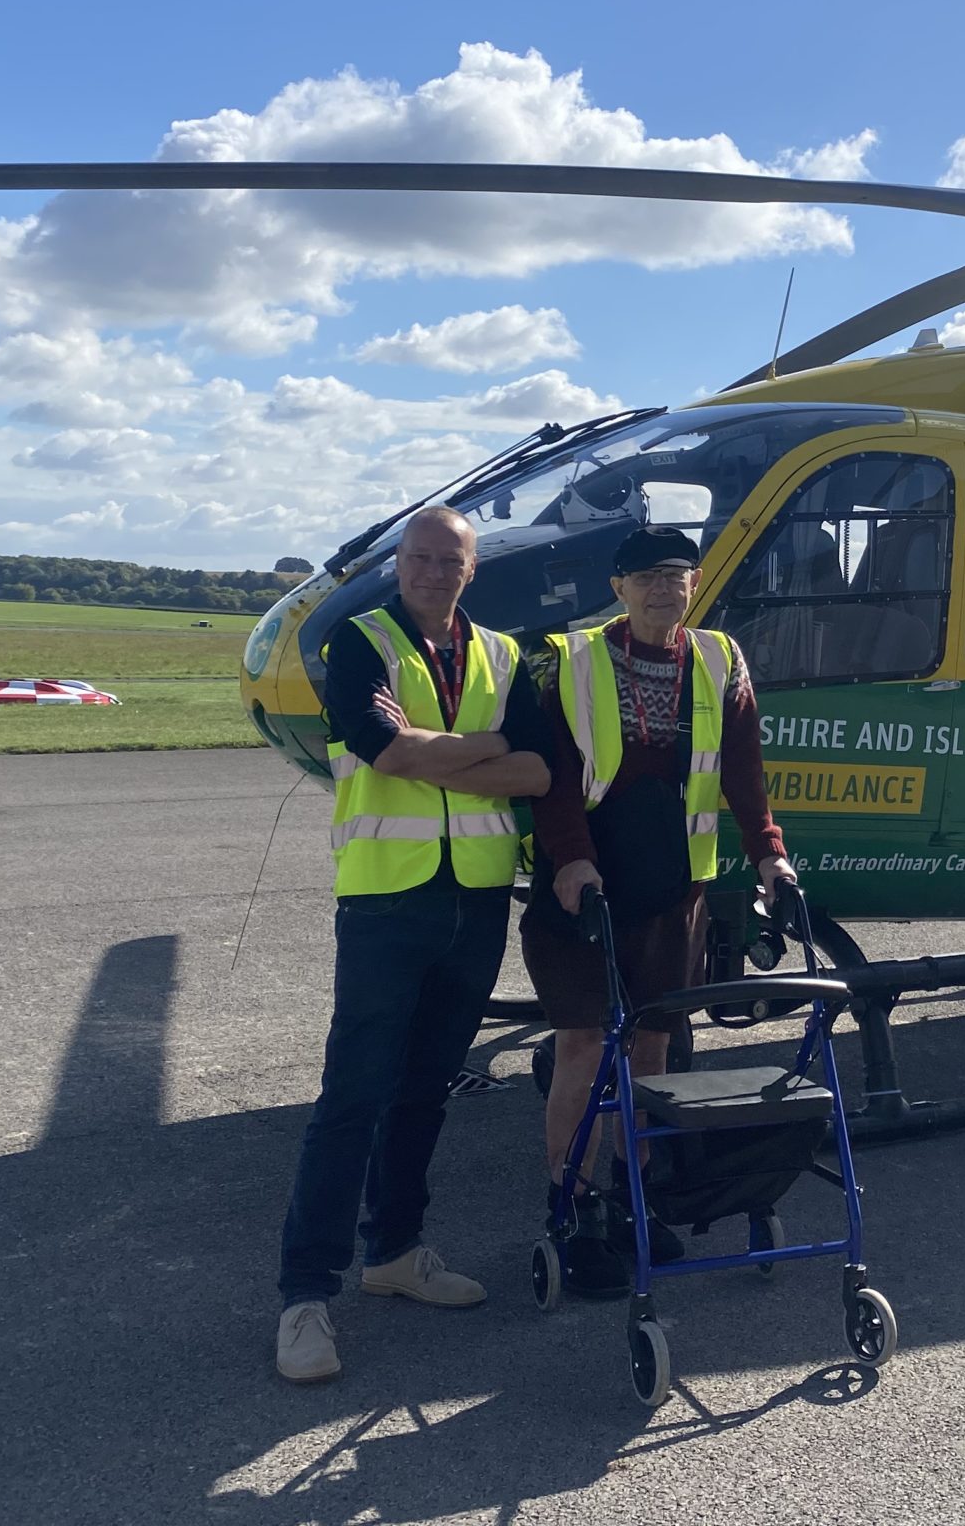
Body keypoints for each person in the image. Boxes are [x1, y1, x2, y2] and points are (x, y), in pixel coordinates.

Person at [274, 506, 550, 1383]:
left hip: (475, 896)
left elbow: (542, 771)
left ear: (473, 570)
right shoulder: (359, 643)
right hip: (387, 898)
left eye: (451, 560)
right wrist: (485, 748)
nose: (434, 571)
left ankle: (395, 1251)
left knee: (427, 1089)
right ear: (399, 564)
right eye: (420, 557)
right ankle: (305, 1296)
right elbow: (383, 753)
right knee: (352, 1096)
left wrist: (455, 748)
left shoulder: (506, 656)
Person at [525, 523, 796, 1295]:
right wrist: (572, 858)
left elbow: (743, 765)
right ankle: (569, 1208)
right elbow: (555, 773)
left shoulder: (719, 658)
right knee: (581, 1046)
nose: (661, 589)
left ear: (695, 582)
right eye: (644, 576)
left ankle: (633, 1200)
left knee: (650, 1051)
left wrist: (767, 848)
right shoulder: (572, 661)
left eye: (675, 575)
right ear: (617, 588)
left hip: (672, 889)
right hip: (584, 888)